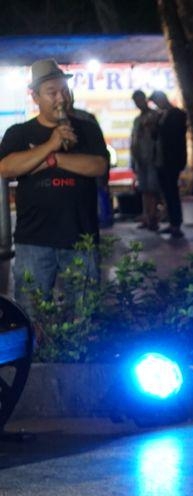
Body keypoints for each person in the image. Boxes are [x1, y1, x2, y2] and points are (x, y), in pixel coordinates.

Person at [0, 59, 109, 315]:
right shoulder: (19, 133)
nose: (61, 98)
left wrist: (51, 159)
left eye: (64, 90)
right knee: (31, 315)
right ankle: (37, 357)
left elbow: (98, 166)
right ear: (35, 97)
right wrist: (51, 144)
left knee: (84, 315)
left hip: (81, 239)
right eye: (52, 92)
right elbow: (6, 168)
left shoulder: (88, 129)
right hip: (33, 241)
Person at [150, 90, 188, 239]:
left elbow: (174, 137)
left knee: (172, 192)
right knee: (166, 193)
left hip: (171, 160)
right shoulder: (161, 115)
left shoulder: (176, 114)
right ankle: (172, 222)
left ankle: (176, 224)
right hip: (161, 160)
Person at [129, 89, 162, 231]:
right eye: (136, 102)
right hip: (140, 159)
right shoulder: (137, 119)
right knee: (144, 190)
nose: (138, 104)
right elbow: (134, 140)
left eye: (139, 100)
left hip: (152, 159)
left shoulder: (155, 116)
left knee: (152, 189)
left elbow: (157, 137)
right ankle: (147, 217)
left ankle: (153, 218)